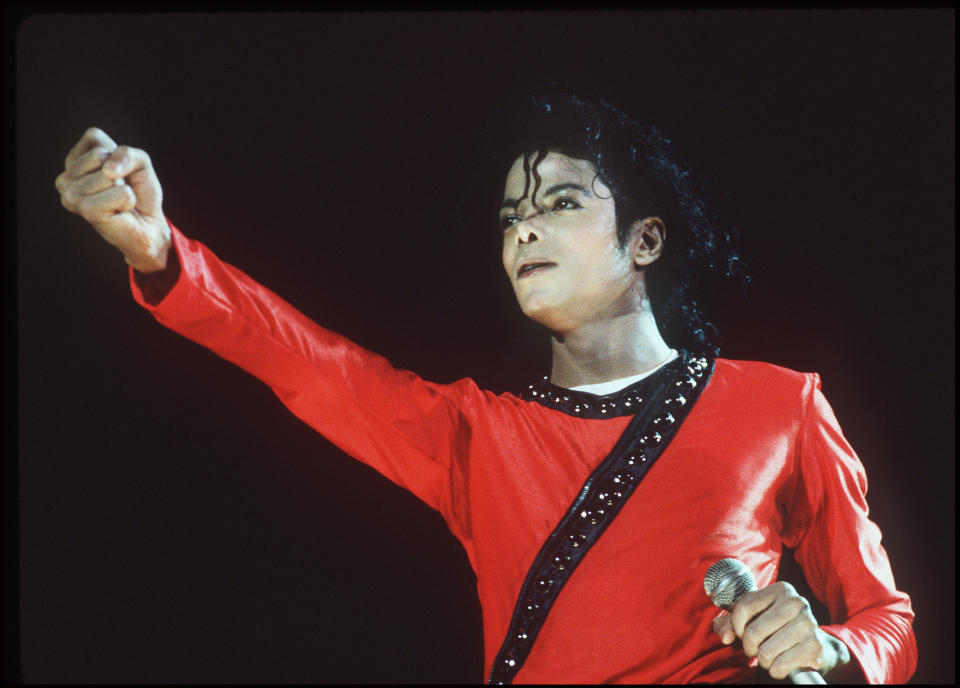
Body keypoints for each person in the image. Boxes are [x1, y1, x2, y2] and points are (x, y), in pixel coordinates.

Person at [54, 93, 916, 684]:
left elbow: (889, 623)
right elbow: (308, 361)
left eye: (562, 202)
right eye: (511, 217)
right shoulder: (474, 434)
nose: (525, 226)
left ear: (645, 240)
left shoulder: (779, 406)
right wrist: (160, 252)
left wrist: (834, 649)